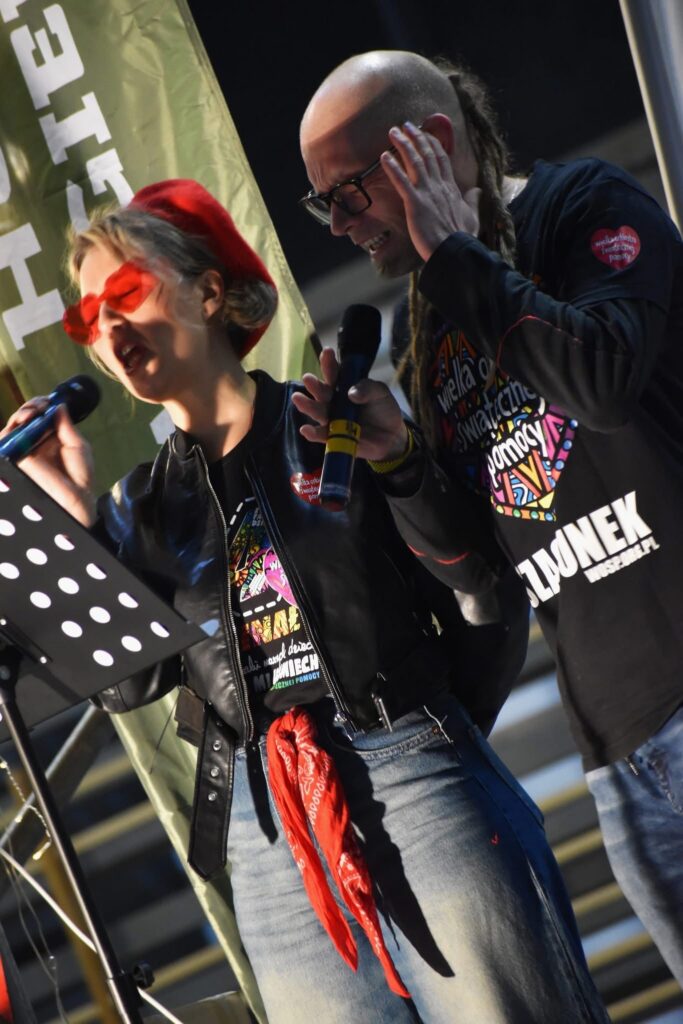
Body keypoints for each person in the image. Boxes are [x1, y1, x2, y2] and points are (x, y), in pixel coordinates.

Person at [1, 179, 610, 1023]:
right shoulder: (138, 508)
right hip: (266, 831)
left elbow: (478, 581)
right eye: (87, 320)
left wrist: (434, 724)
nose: (108, 329)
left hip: (407, 772)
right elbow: (126, 685)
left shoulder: (326, 416)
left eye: (126, 293)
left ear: (208, 293)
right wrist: (71, 520)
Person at [297, 49, 683, 984]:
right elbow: (483, 575)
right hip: (621, 763)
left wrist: (451, 254)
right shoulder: (431, 323)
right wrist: (398, 460)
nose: (339, 224)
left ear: (430, 142)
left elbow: (597, 380)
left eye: (348, 192)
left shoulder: (583, 206)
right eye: (323, 203)